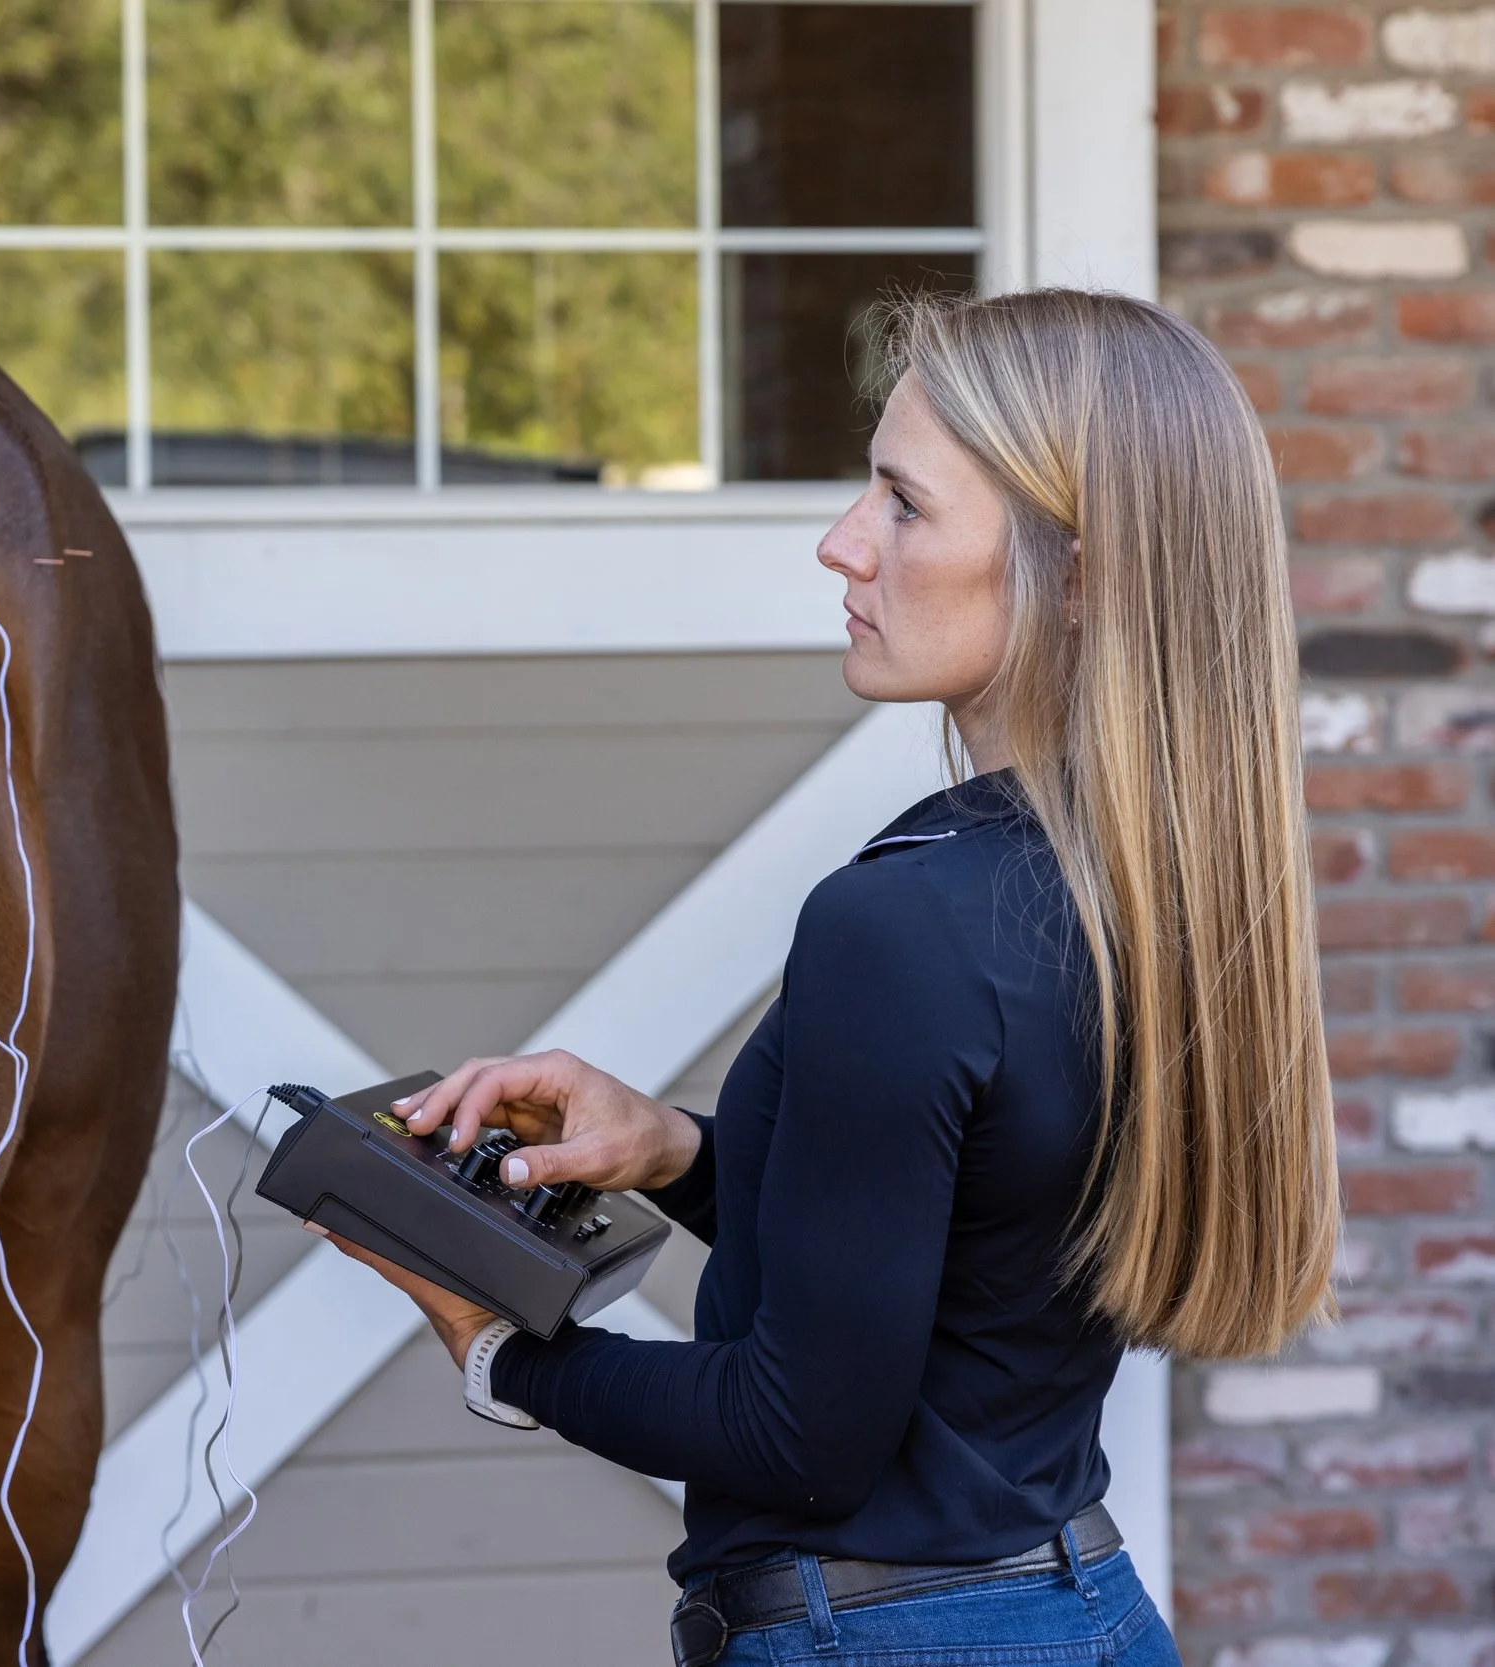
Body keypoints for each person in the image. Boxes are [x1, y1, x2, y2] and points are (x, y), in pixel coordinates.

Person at [312, 288, 1339, 1667]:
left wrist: (496, 1349)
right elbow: (955, 1266)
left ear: (1079, 571)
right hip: (1080, 1613)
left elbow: (795, 1433)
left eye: (904, 506)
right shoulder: (1152, 889)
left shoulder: (903, 921)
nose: (841, 542)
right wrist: (672, 1147)